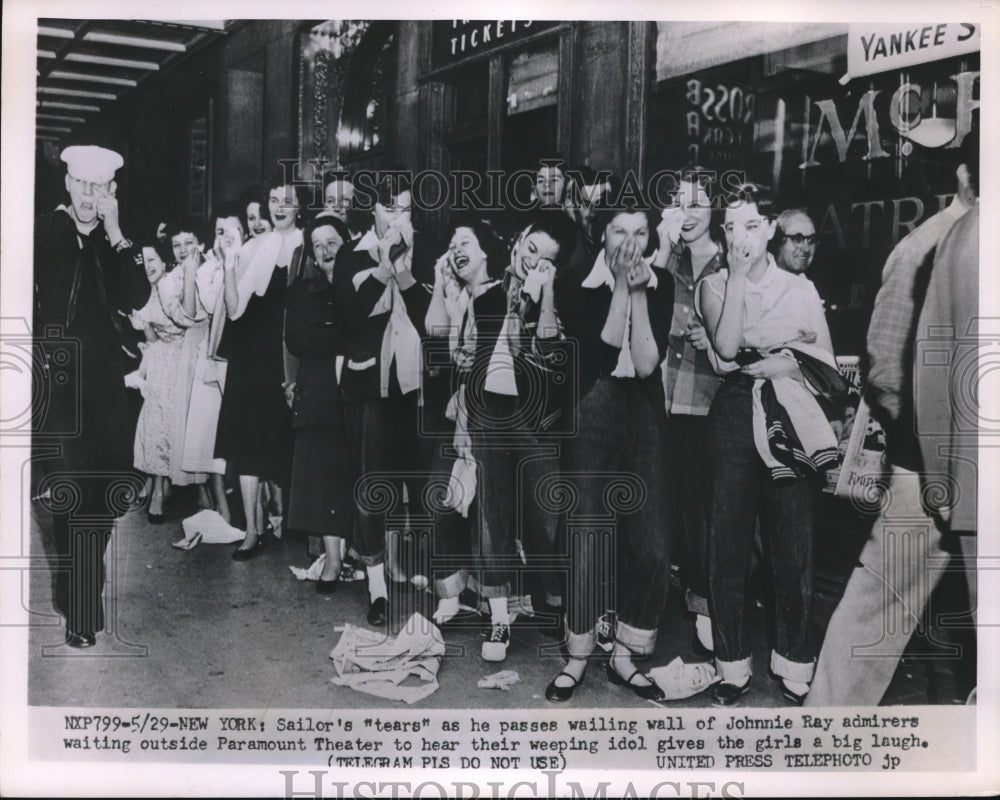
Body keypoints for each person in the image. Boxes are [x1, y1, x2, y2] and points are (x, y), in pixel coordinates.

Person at [806, 129, 979, 707]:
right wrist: (924, 446)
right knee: (880, 607)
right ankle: (822, 742)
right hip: (928, 464)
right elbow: (884, 363)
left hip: (947, 462)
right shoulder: (930, 246)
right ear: (963, 174)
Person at [698, 181, 842, 706]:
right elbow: (730, 346)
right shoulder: (712, 284)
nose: (741, 237)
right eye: (731, 227)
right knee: (728, 544)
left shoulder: (800, 288)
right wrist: (737, 281)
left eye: (752, 226)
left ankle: (794, 660)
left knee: (794, 542)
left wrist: (789, 358)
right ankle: (731, 666)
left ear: (771, 227)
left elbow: (826, 361)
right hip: (735, 410)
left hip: (792, 409)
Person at [425, 213, 575, 660]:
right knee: (491, 517)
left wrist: (543, 294)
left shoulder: (555, 296)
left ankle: (556, 603)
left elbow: (549, 349)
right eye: (531, 250)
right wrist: (467, 420)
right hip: (490, 414)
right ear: (518, 242)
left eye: (546, 260)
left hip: (537, 419)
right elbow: (470, 360)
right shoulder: (488, 294)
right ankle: (498, 621)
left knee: (546, 519)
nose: (533, 262)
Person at [544, 195, 673, 703]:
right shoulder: (574, 282)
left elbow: (644, 364)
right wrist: (621, 285)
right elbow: (600, 350)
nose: (630, 244)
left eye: (640, 234)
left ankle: (626, 654)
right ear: (603, 235)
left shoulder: (660, 288)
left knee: (652, 540)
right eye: (620, 232)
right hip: (590, 404)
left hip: (642, 410)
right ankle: (577, 656)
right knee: (586, 534)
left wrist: (640, 293)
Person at [33, 144, 148, 647]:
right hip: (58, 383)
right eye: (81, 185)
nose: (88, 195)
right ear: (67, 185)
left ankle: (81, 590)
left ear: (111, 194)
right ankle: (80, 606)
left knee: (103, 496)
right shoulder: (46, 231)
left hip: (105, 385)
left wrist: (117, 232)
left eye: (98, 188)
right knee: (69, 491)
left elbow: (138, 297)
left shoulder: (113, 242)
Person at [334, 172, 436, 625]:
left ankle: (437, 579)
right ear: (372, 210)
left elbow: (432, 321)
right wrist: (381, 268)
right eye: (390, 207)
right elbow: (350, 322)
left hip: (416, 387)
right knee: (370, 485)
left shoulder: (429, 253)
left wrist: (405, 269)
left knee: (422, 480)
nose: (398, 217)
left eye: (405, 208)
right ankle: (376, 585)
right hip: (367, 387)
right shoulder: (349, 256)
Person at [650, 168, 724, 659]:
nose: (688, 213)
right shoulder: (665, 257)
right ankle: (643, 613)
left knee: (702, 514)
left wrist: (713, 338)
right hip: (660, 397)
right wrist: (659, 244)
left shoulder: (727, 260)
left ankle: (704, 608)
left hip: (709, 401)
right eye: (680, 201)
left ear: (714, 210)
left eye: (698, 203)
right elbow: (641, 303)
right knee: (655, 506)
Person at [215, 174, 305, 559]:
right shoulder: (257, 246)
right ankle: (252, 530)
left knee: (289, 443)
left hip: (292, 356)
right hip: (253, 357)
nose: (279, 206)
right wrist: (231, 265)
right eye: (274, 199)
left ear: (299, 205)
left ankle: (291, 521)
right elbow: (235, 308)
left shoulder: (310, 243)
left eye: (287, 199)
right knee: (249, 444)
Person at [285, 213, 355, 592]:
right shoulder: (301, 292)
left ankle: (372, 557)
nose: (326, 250)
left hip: (361, 391)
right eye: (318, 244)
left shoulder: (361, 283)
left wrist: (329, 334)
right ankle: (332, 557)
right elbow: (296, 339)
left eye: (333, 242)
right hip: (320, 394)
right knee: (324, 476)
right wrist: (342, 337)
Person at [175, 205, 246, 522]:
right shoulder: (207, 272)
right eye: (219, 232)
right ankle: (224, 511)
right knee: (211, 437)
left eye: (232, 232)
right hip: (214, 357)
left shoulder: (253, 260)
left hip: (247, 358)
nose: (226, 238)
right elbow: (216, 304)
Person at [130, 240, 187, 523]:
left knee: (169, 425)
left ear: (164, 261)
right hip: (161, 359)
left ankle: (160, 488)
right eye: (144, 261)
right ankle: (155, 484)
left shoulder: (174, 285)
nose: (148, 266)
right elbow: (152, 340)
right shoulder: (146, 292)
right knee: (152, 420)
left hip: (184, 358)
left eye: (153, 259)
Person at [773, 209, 819, 275]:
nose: (806, 249)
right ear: (778, 240)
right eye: (797, 239)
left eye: (811, 239)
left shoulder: (809, 284)